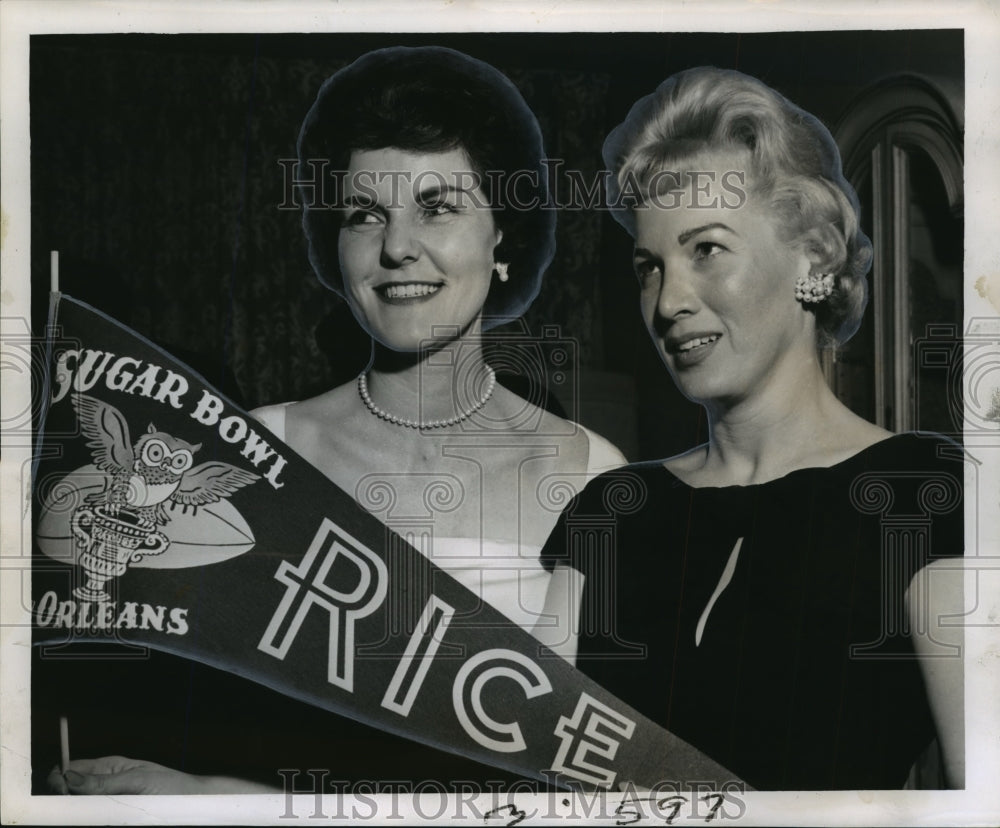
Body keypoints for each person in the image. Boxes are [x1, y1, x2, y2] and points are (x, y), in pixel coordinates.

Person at [48, 45, 625, 795]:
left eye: (438, 207)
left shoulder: (591, 477)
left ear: (503, 236)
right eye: (364, 214)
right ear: (335, 243)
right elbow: (177, 711)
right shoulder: (247, 451)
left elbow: (574, 791)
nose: (395, 247)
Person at [540, 66, 965, 790]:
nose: (669, 300)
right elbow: (533, 782)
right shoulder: (611, 512)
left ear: (814, 256)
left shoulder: (924, 493)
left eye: (706, 249)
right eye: (649, 265)